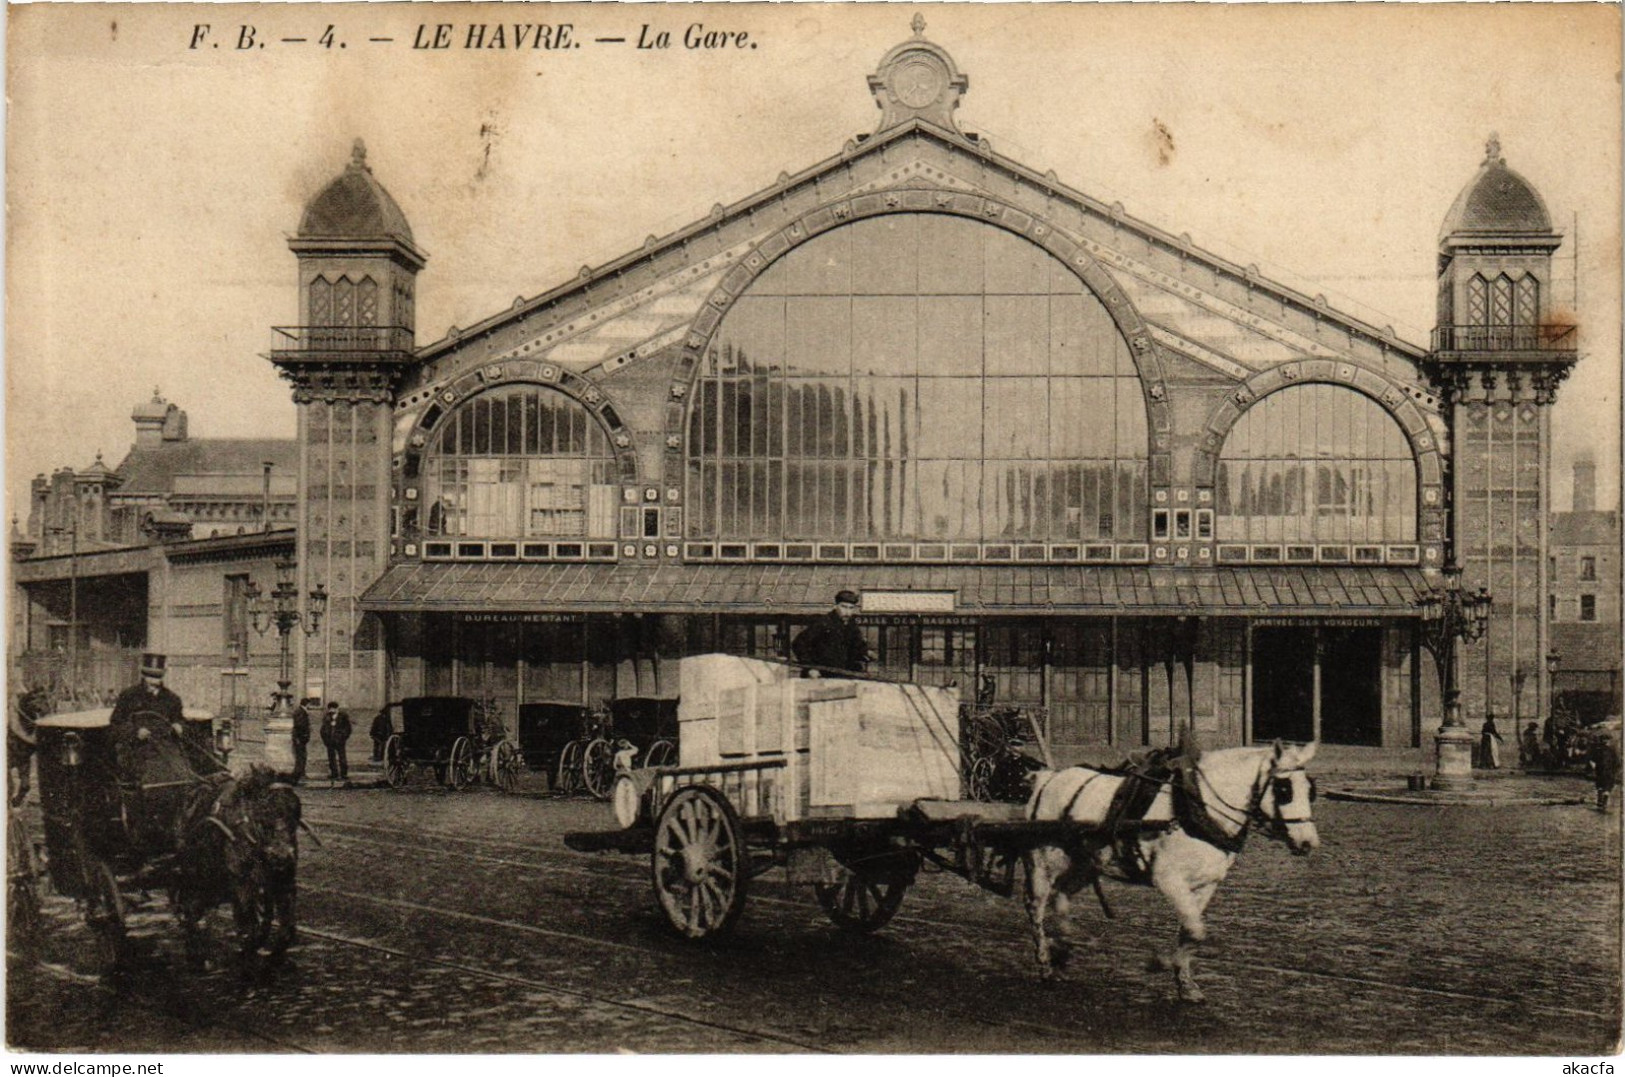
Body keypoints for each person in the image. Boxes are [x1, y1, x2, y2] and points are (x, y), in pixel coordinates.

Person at [791, 589, 870, 676]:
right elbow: (798, 644)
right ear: (835, 606)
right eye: (843, 607)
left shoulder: (852, 626)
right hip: (821, 675)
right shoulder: (823, 623)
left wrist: (865, 653)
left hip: (842, 675)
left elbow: (857, 646)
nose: (847, 612)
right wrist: (810, 668)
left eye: (851, 608)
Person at [8, 686, 47, 806]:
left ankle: (15, 802)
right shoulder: (14, 709)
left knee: (25, 785)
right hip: (13, 748)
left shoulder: (32, 716)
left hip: (24, 751)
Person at [320, 701, 352, 783]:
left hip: (340, 741)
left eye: (333, 709)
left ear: (337, 709)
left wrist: (343, 737)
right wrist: (325, 739)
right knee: (331, 758)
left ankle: (343, 774)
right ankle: (334, 773)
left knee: (342, 757)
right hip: (329, 741)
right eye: (330, 709)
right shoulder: (327, 717)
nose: (332, 710)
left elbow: (348, 729)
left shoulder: (343, 716)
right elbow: (323, 729)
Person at [1591, 726, 1622, 812]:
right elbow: (1617, 762)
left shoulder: (1598, 749)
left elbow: (1593, 760)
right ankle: (1603, 803)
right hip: (1608, 772)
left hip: (1601, 771)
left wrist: (1595, 768)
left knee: (1601, 786)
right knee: (1607, 787)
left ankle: (1600, 802)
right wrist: (1616, 770)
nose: (1606, 741)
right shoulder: (1612, 750)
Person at [290, 697, 314, 785]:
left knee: (302, 757)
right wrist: (304, 735)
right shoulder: (301, 712)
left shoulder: (300, 711)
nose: (310, 705)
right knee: (300, 757)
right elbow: (299, 725)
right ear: (307, 704)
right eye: (309, 704)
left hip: (300, 739)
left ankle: (301, 774)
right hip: (300, 739)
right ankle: (297, 777)